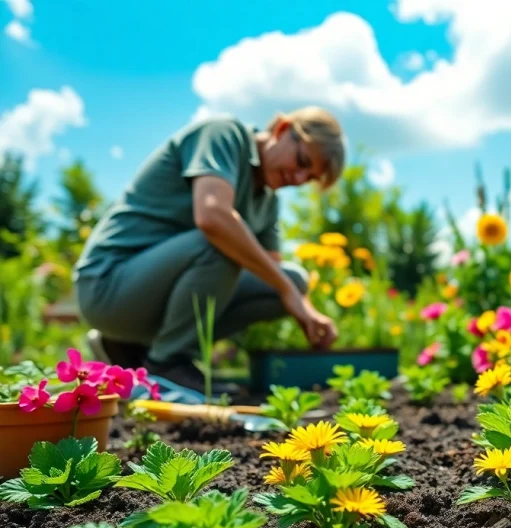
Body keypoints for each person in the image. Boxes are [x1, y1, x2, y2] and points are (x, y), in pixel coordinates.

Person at [72, 107, 342, 395]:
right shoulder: (223, 135)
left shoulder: (267, 201)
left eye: (309, 178)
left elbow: (272, 275)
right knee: (223, 241)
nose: (299, 179)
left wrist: (307, 311)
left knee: (293, 280)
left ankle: (129, 348)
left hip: (147, 298)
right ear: (283, 129)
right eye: (302, 161)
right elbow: (212, 216)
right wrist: (287, 289)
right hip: (107, 284)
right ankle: (167, 364)